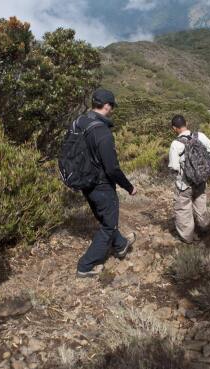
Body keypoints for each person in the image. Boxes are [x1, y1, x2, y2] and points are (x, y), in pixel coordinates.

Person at [75, 88, 137, 278]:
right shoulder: (102, 132)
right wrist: (129, 187)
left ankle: (120, 245)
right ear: (107, 106)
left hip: (85, 181)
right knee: (108, 225)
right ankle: (85, 266)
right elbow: (112, 168)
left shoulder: (80, 122)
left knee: (105, 218)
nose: (112, 110)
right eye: (111, 106)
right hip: (101, 185)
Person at [168, 114, 210, 243]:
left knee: (183, 209)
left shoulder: (175, 144)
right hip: (201, 179)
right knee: (200, 203)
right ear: (187, 123)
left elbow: (174, 166)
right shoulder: (200, 136)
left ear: (174, 128)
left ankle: (187, 237)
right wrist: (205, 167)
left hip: (185, 184)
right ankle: (204, 227)